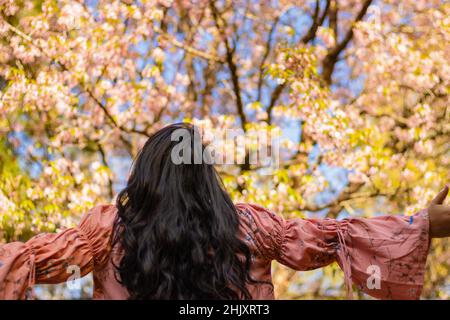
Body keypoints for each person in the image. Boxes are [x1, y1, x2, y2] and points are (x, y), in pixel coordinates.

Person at [0, 123, 449, 300]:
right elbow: (332, 240)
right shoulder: (250, 226)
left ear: (144, 177)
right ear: (207, 178)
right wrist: (421, 224)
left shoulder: (108, 230)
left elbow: (31, 262)